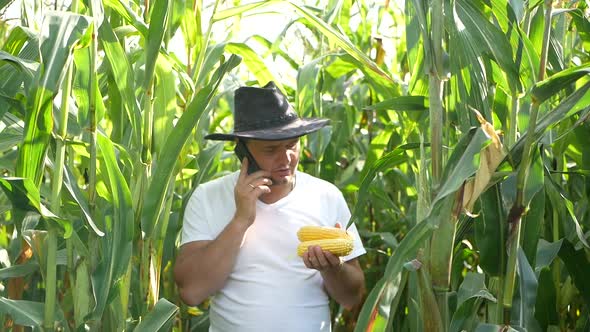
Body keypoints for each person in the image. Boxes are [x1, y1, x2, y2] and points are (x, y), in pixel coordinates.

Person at [174, 81, 366, 331]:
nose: (286, 158)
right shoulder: (208, 197)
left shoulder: (326, 196)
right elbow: (191, 291)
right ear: (242, 151)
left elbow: (353, 297)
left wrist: (333, 269)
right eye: (271, 149)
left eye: (292, 145)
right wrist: (241, 220)